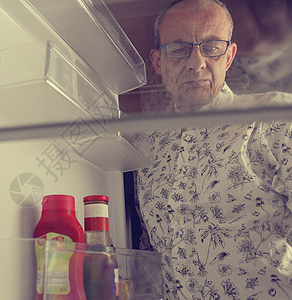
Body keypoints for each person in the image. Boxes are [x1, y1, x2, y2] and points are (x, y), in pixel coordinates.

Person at [125, 0, 292, 299]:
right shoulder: (147, 145)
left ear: (229, 56)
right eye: (179, 48)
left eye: (212, 47)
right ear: (158, 62)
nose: (196, 62)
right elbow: (150, 248)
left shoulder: (276, 117)